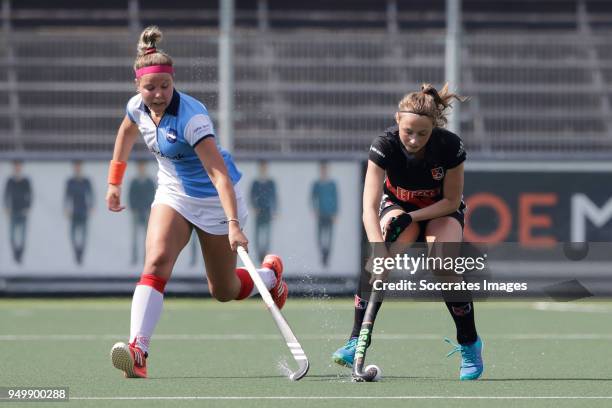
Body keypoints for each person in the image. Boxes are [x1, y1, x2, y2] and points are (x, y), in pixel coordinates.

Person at [106, 26, 287, 379]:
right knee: (156, 261)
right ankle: (138, 350)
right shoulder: (136, 109)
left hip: (216, 200)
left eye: (165, 86)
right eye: (150, 87)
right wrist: (114, 182)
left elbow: (219, 175)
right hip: (173, 193)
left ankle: (269, 277)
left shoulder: (192, 118)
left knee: (223, 290)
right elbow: (125, 133)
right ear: (137, 87)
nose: (158, 94)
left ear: (173, 83)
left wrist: (234, 225)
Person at [331, 83, 484, 381]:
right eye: (408, 132)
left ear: (434, 128)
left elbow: (451, 201)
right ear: (397, 120)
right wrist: (378, 250)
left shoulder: (450, 146)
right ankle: (355, 341)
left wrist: (412, 216)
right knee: (377, 265)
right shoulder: (384, 145)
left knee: (443, 265)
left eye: (422, 134)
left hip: (439, 210)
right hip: (397, 206)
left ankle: (469, 343)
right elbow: (368, 206)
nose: (414, 140)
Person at [64, 160, 94, 265]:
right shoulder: (70, 182)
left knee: (84, 234)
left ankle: (81, 253)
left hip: (83, 210)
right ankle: (76, 252)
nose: (77, 168)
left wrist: (91, 206)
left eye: (79, 166)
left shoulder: (86, 181)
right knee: (73, 234)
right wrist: (66, 208)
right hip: (74, 211)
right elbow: (66, 196)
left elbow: (91, 194)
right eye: (76, 166)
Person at [3, 160, 32, 264]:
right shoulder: (10, 181)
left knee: (22, 235)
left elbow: (30, 195)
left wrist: (28, 207)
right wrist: (6, 208)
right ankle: (14, 254)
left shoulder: (26, 181)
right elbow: (6, 195)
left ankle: (20, 255)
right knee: (12, 234)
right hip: (13, 211)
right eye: (16, 166)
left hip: (23, 211)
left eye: (19, 166)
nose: (17, 168)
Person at [128, 160, 156, 265]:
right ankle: (134, 257)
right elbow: (130, 196)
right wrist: (133, 208)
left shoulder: (149, 182)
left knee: (147, 237)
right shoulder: (134, 182)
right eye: (140, 166)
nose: (141, 168)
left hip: (147, 211)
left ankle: (146, 258)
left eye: (143, 166)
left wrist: (151, 210)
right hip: (136, 211)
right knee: (135, 236)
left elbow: (153, 196)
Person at [310, 161, 338, 267]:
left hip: (330, 214)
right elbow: (312, 198)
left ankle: (327, 256)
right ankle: (322, 254)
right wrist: (314, 210)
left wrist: (335, 212)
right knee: (320, 236)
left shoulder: (332, 184)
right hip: (321, 214)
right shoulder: (316, 184)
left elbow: (336, 199)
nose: (323, 171)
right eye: (322, 169)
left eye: (325, 169)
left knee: (329, 237)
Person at [249, 160, 277, 262]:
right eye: (262, 167)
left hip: (268, 211)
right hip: (259, 212)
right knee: (258, 234)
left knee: (267, 234)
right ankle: (259, 255)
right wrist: (254, 207)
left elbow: (274, 197)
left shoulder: (271, 183)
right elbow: (251, 197)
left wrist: (274, 210)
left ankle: (265, 254)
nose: (263, 169)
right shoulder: (255, 183)